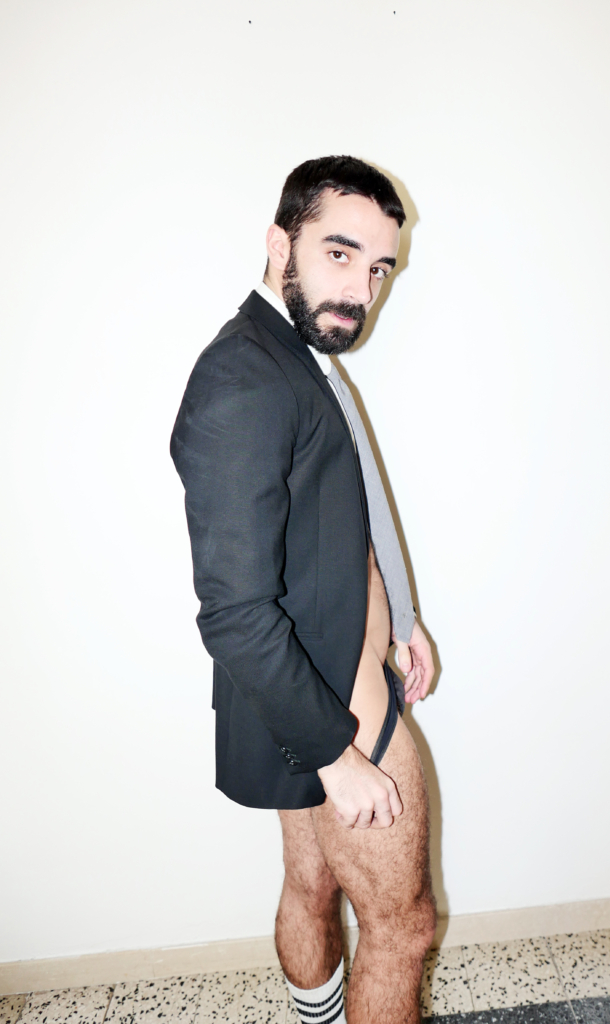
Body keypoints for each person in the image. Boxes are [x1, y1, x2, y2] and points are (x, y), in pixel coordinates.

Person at [171, 156, 436, 1024]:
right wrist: (335, 754)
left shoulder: (295, 354)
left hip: (322, 682)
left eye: (379, 269)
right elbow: (234, 613)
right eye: (339, 253)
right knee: (403, 927)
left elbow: (352, 503)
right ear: (280, 244)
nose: (360, 290)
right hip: (330, 713)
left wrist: (403, 617)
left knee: (311, 886)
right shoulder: (243, 378)